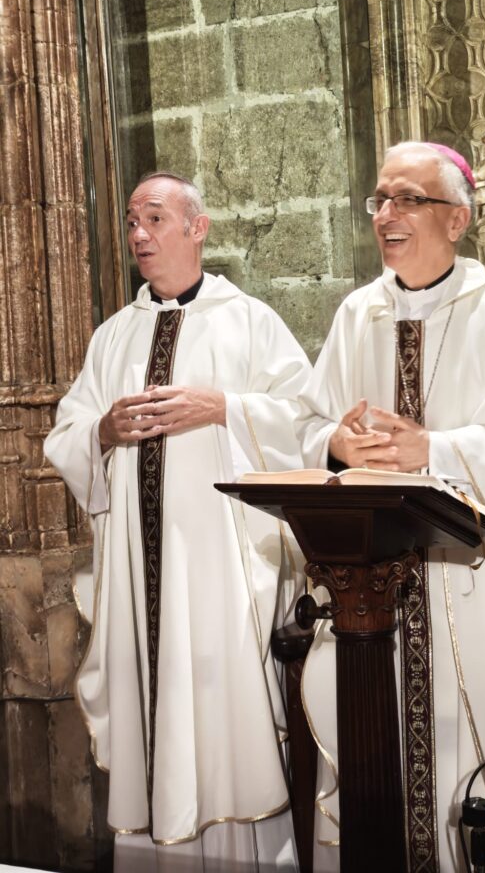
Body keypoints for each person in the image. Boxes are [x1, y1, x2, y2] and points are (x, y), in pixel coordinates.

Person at [296, 143, 485, 872]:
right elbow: (307, 423)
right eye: (380, 200)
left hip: (471, 580)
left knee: (472, 776)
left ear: (457, 219)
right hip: (368, 585)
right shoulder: (355, 314)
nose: (387, 216)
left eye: (407, 199)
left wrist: (430, 450)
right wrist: (336, 444)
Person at [44, 173, 311, 872]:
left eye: (154, 219)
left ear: (198, 228)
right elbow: (65, 433)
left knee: (223, 725)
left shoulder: (250, 322)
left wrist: (225, 408)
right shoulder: (114, 336)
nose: (138, 235)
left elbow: (310, 424)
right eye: (132, 222)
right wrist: (101, 429)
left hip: (221, 574)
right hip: (140, 576)